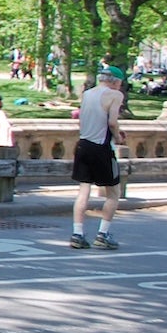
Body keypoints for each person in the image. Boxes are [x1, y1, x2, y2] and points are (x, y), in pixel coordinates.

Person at [70, 65, 128, 249]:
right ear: (115, 81)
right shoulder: (115, 95)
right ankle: (103, 234)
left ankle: (77, 233)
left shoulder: (88, 94)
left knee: (83, 190)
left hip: (84, 144)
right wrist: (118, 136)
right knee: (113, 192)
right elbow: (112, 122)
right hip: (102, 147)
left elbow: (84, 119)